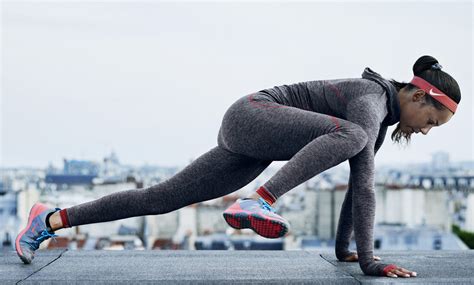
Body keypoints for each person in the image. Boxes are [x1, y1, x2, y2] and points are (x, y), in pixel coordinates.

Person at [15, 55, 460, 278]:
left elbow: (359, 185)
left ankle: (48, 219)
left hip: (251, 142)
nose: (425, 130)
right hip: (252, 114)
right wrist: (366, 262)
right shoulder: (369, 103)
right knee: (354, 137)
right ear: (417, 97)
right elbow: (362, 186)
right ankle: (261, 201)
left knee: (159, 199)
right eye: (431, 121)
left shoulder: (374, 121)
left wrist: (352, 255)